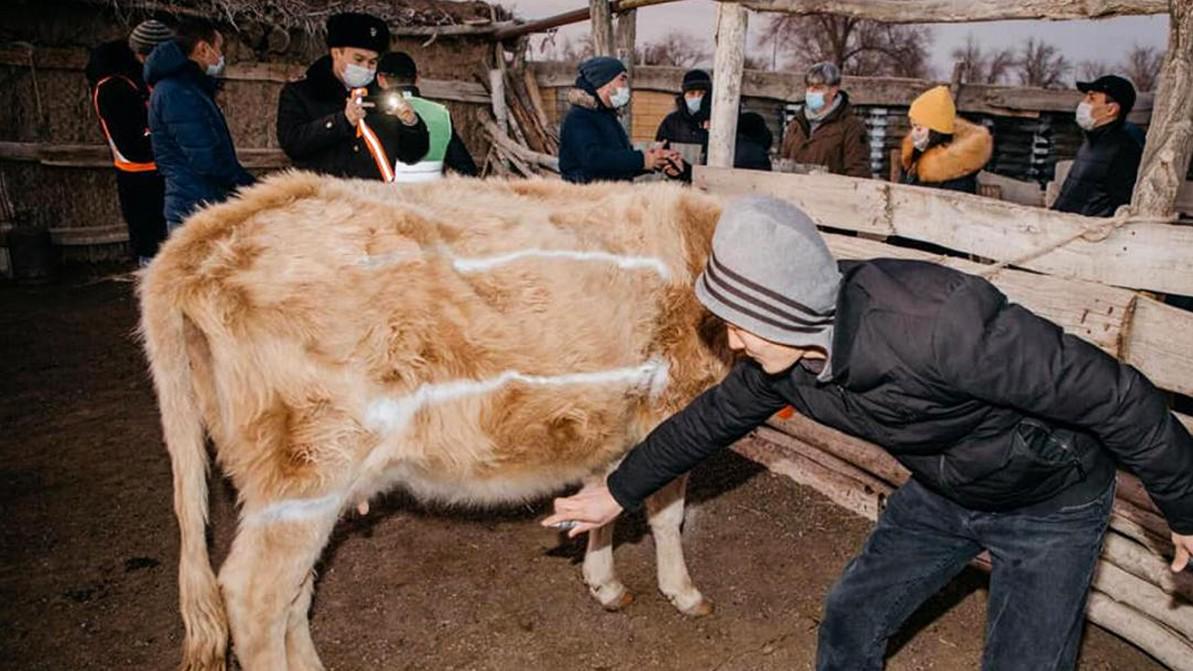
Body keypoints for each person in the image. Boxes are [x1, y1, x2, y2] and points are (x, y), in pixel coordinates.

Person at [544, 196, 1193, 671]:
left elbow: (1118, 395)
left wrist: (1186, 510)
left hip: (1048, 501)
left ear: (787, 309)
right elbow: (704, 422)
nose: (730, 339)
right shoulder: (780, 364)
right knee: (851, 617)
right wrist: (618, 491)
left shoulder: (941, 323)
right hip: (942, 489)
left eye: (741, 321)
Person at [276, 12, 428, 181]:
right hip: (323, 198)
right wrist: (342, 121)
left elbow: (412, 155)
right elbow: (293, 144)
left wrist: (411, 123)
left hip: (372, 199)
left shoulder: (383, 97)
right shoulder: (301, 93)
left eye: (372, 62)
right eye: (358, 59)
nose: (365, 67)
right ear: (336, 53)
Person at [146, 20, 255, 231]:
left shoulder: (187, 88)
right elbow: (207, 159)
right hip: (194, 211)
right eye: (219, 48)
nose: (221, 56)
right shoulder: (178, 93)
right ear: (203, 49)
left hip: (198, 204)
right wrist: (253, 188)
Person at [85, 19, 173, 264]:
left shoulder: (137, 83)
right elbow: (135, 146)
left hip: (155, 175)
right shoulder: (114, 89)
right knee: (152, 248)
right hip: (140, 179)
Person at [559, 56, 676, 184]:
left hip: (611, 197)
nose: (626, 86)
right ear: (604, 83)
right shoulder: (579, 117)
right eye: (622, 79)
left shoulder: (607, 116)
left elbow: (617, 165)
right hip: (586, 199)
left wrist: (652, 159)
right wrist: (642, 160)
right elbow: (593, 159)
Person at [374, 51, 477, 181]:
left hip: (383, 197)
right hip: (430, 196)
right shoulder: (440, 113)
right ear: (417, 79)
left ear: (381, 79)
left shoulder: (372, 113)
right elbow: (467, 170)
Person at [1051, 75, 1143, 217]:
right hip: (1065, 229)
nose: (1083, 103)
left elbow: (1119, 205)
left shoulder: (1123, 149)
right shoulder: (1092, 141)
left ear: (1111, 110)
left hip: (1087, 234)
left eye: (1092, 98)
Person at [779, 62, 870, 178]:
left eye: (818, 88)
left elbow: (858, 171)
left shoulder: (851, 126)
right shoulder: (796, 123)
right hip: (794, 192)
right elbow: (784, 161)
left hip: (829, 193)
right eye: (809, 87)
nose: (811, 92)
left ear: (833, 90)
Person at [900, 85, 992, 193]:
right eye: (913, 126)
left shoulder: (956, 171)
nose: (914, 133)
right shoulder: (915, 159)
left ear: (936, 130)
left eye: (919, 128)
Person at [654, 68, 711, 148]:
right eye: (692, 93)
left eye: (702, 93)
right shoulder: (671, 122)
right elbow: (660, 149)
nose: (697, 97)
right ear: (684, 95)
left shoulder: (718, 121)